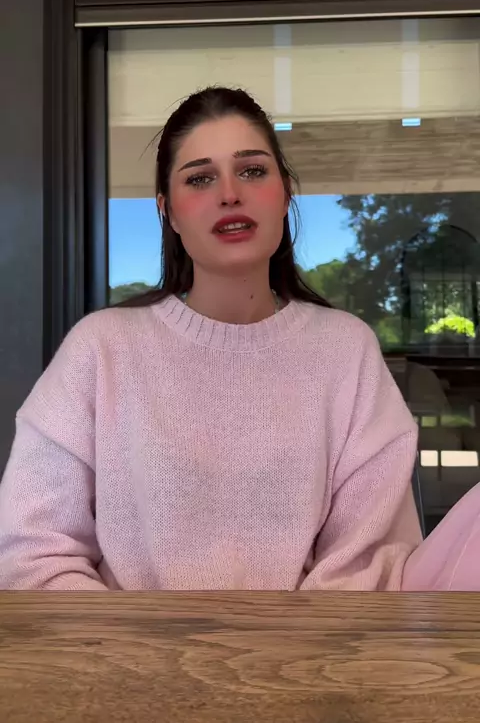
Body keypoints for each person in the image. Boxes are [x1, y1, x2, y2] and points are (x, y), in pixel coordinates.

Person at [0, 86, 422, 591]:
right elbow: (32, 552)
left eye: (252, 170)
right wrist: (136, 641)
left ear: (285, 194)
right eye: (200, 178)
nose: (229, 193)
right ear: (169, 211)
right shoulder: (100, 350)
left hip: (312, 643)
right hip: (121, 644)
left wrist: (281, 643)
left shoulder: (347, 352)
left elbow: (373, 560)